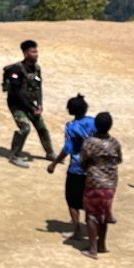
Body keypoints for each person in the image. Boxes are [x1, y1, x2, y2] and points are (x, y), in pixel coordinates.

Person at [47, 94, 95, 240]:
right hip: (93, 168)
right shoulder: (93, 122)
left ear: (71, 110)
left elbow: (67, 149)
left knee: (72, 200)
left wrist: (54, 163)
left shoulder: (71, 127)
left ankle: (77, 231)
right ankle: (92, 230)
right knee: (89, 200)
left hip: (77, 169)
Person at [4, 39, 55, 167]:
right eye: (33, 52)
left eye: (36, 51)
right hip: (16, 105)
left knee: (42, 127)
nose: (36, 54)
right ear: (25, 54)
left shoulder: (36, 69)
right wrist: (31, 109)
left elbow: (38, 87)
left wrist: (40, 104)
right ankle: (15, 155)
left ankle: (50, 153)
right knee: (25, 128)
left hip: (30, 104)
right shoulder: (16, 70)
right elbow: (16, 93)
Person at [79, 112, 121, 259]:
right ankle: (102, 245)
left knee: (91, 215)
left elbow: (82, 161)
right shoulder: (115, 143)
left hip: (94, 182)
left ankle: (93, 249)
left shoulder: (89, 143)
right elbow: (119, 160)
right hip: (111, 184)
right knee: (103, 214)